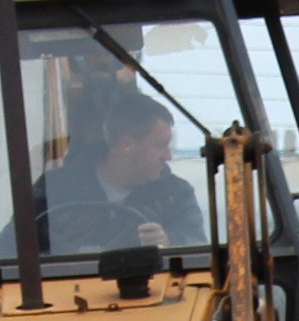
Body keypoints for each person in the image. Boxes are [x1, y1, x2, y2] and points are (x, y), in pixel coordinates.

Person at [36, 91, 203, 254]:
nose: (168, 156)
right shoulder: (54, 189)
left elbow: (197, 246)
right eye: (159, 146)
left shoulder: (175, 194)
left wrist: (168, 241)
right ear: (127, 146)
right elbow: (14, 246)